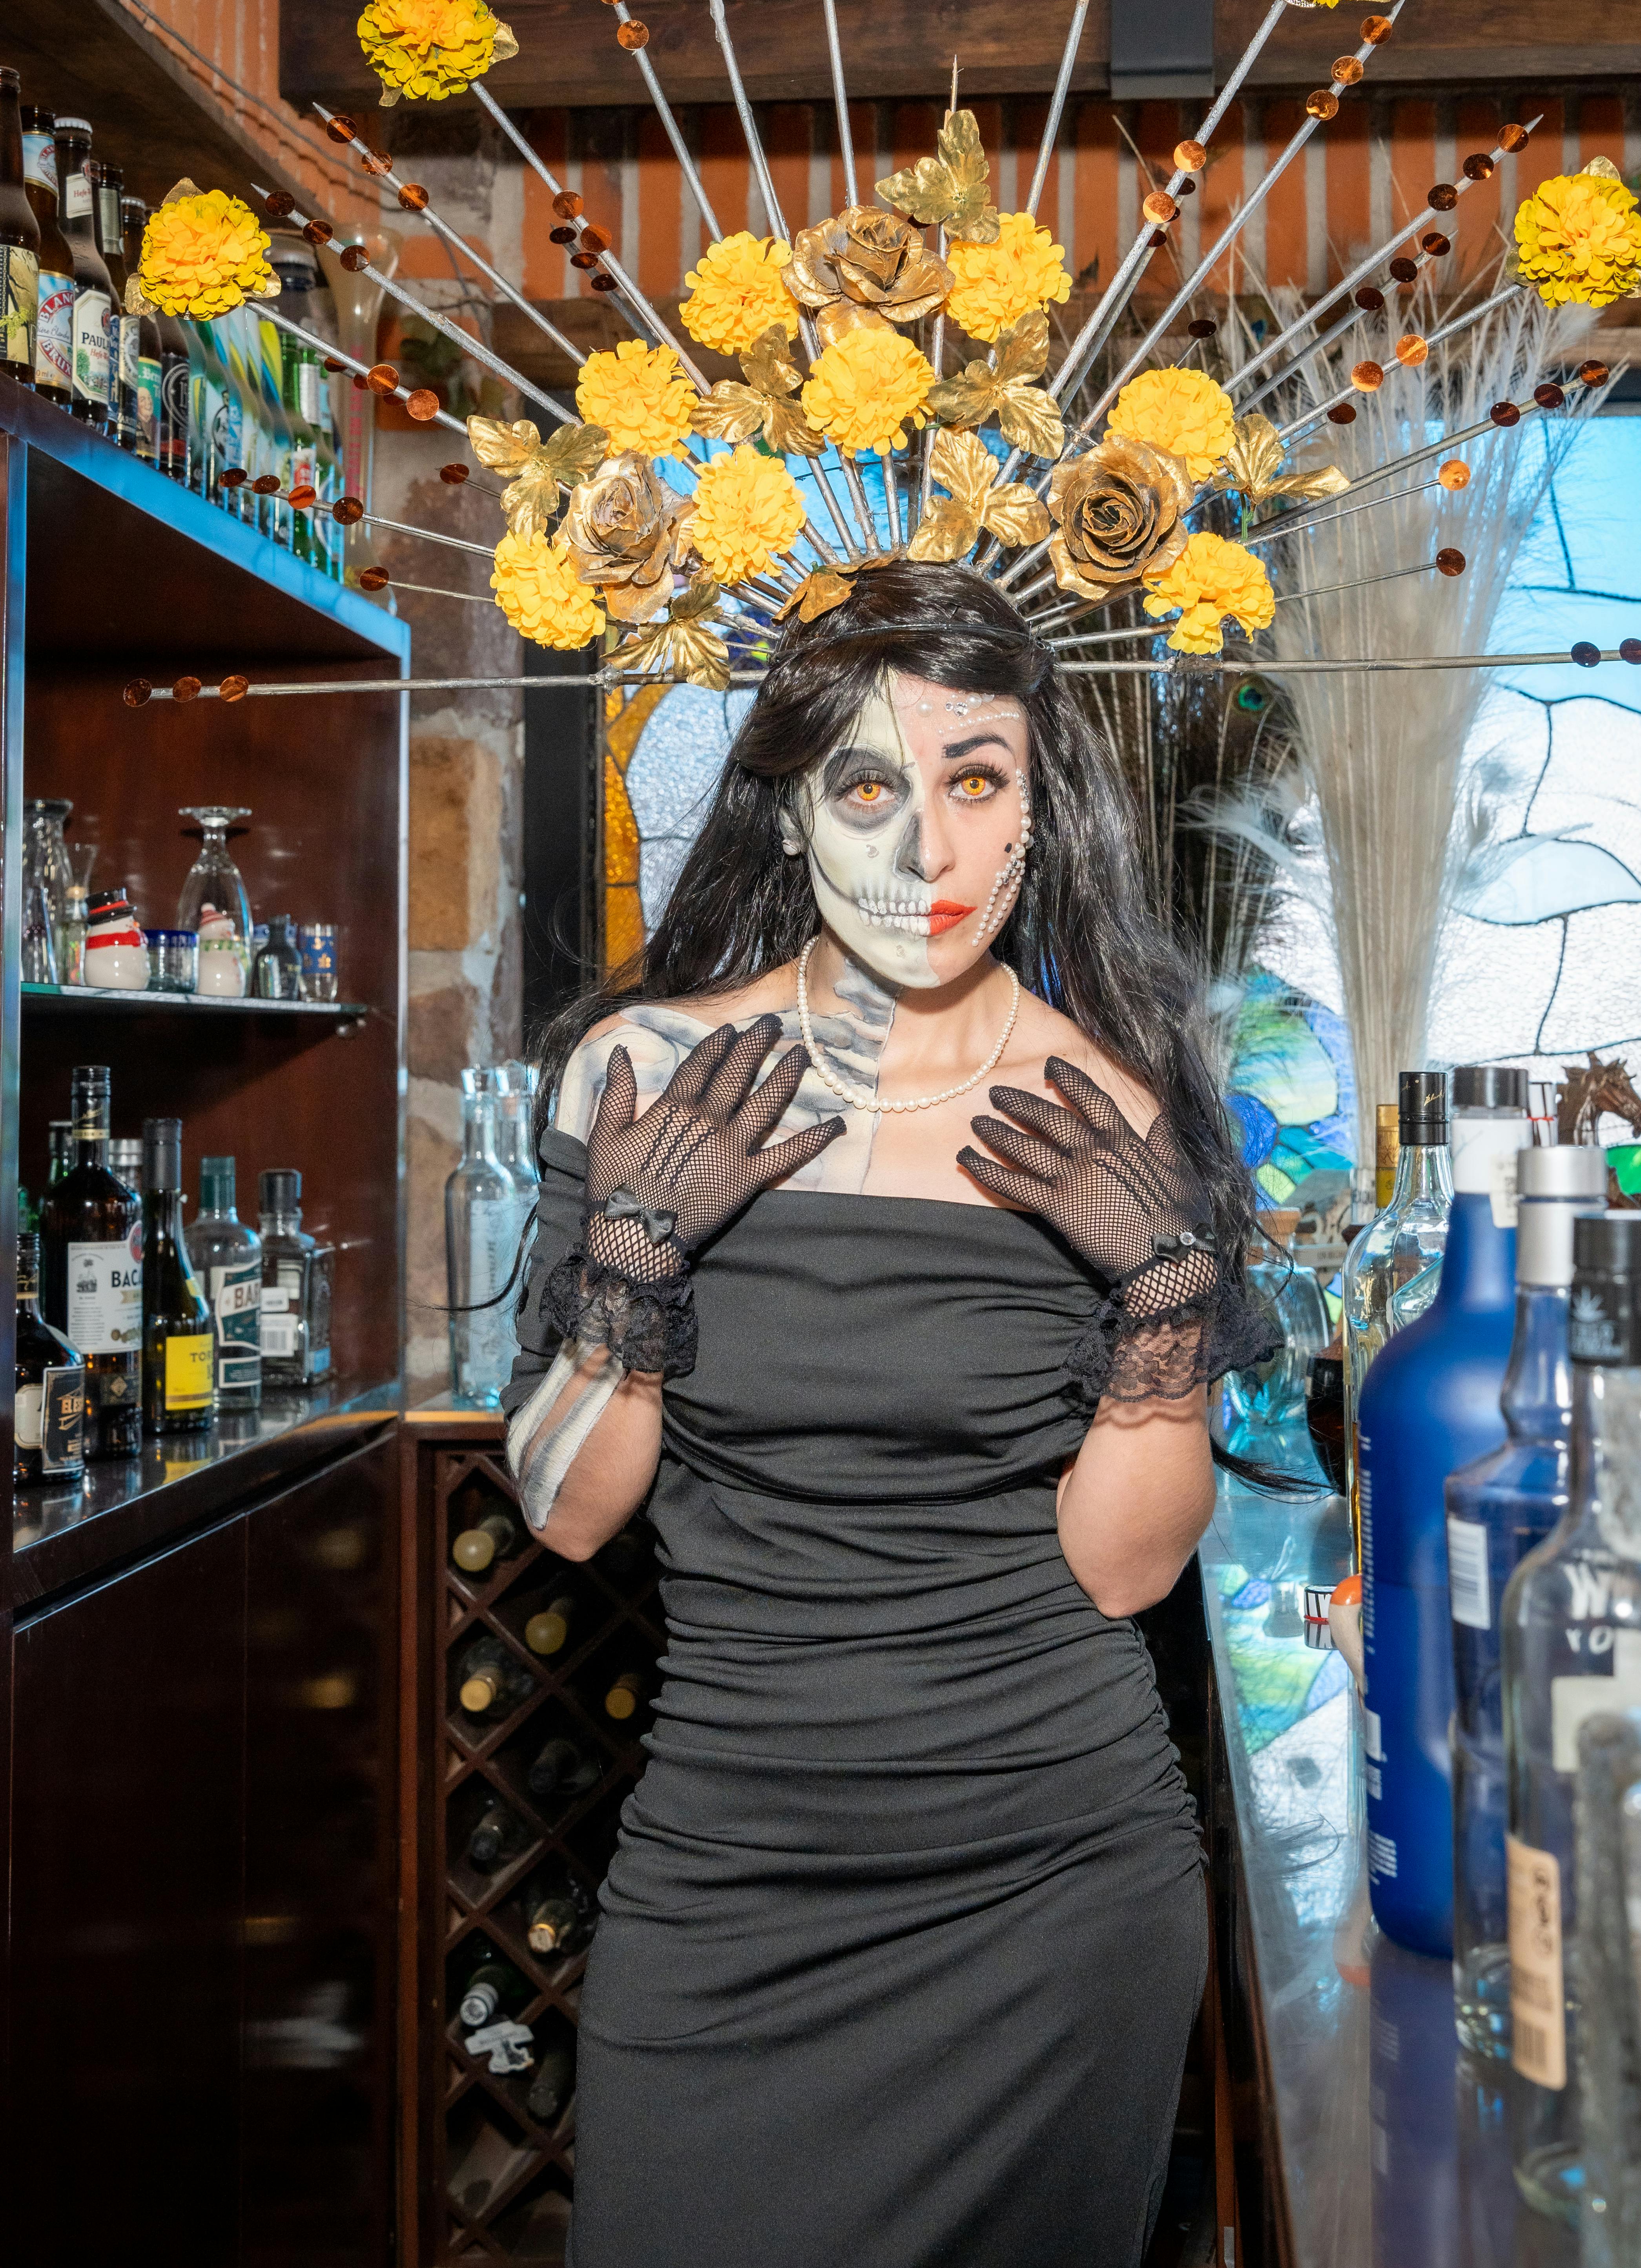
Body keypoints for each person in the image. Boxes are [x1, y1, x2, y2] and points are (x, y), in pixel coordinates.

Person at [501, 559, 1266, 2268]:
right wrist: (635, 1254)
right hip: (729, 1882)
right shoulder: (638, 1071)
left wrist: (1162, 1295)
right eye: (868, 783)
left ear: (1031, 812)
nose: (924, 845)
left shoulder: (1115, 1100)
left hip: (1052, 1894)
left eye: (972, 778)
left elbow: (1128, 1572)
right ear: (789, 815)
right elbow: (563, 1508)